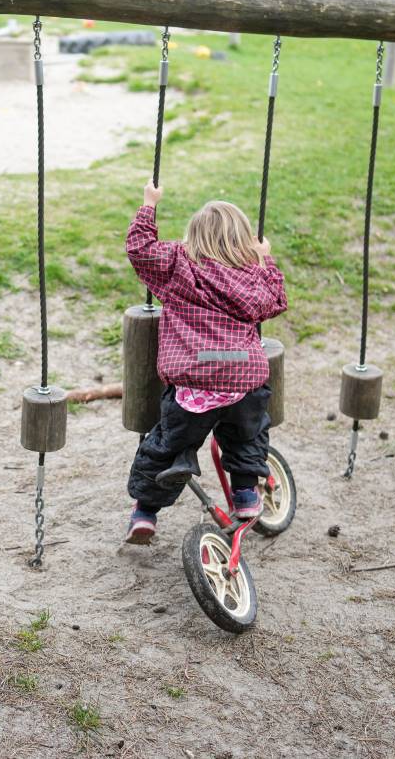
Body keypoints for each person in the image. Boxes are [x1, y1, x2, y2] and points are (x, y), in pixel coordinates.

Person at [121, 182, 287, 545]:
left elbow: (139, 249)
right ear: (243, 240)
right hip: (243, 380)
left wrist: (149, 206)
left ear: (192, 237)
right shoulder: (252, 275)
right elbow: (276, 301)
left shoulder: (179, 263)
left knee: (163, 444)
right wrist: (265, 260)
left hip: (195, 382)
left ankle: (145, 512)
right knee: (247, 436)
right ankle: (245, 495)